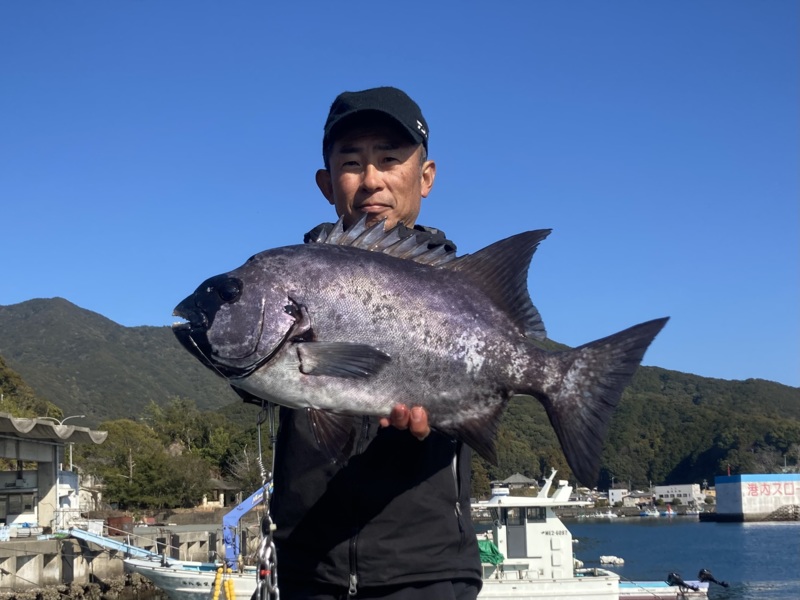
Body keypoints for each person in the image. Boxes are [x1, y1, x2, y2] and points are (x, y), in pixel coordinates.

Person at [270, 87, 482, 600]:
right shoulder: (291, 281)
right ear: (326, 183)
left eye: (389, 159)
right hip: (307, 569)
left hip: (424, 573)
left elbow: (486, 384)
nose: (371, 180)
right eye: (351, 162)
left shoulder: (465, 289)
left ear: (425, 177)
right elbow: (253, 372)